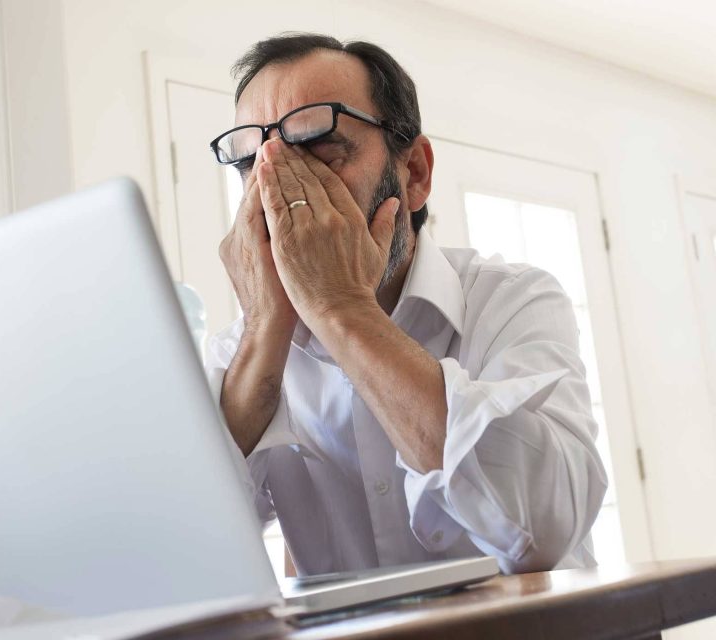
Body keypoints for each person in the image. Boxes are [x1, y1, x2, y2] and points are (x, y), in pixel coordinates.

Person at [205, 33, 607, 575]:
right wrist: (262, 334)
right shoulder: (237, 355)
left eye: (320, 148)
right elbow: (169, 565)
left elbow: (544, 529)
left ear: (414, 173)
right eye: (251, 165)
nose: (280, 191)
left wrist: (342, 308)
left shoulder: (513, 301)